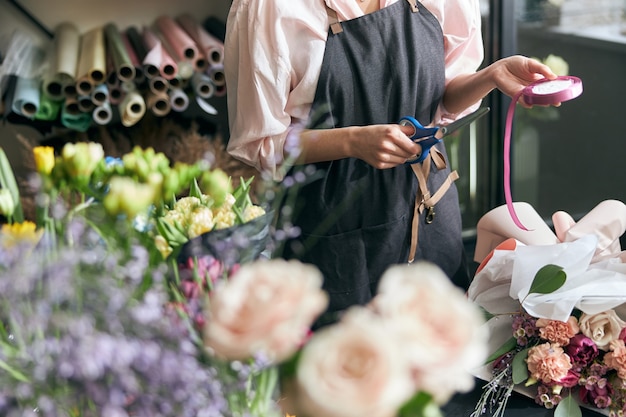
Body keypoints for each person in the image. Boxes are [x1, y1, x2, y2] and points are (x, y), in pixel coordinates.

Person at [223, 0, 557, 325]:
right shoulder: (267, 9)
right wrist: (353, 141)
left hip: (430, 215)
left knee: (440, 363)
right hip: (335, 234)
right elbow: (263, 144)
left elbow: (443, 97)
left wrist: (492, 76)